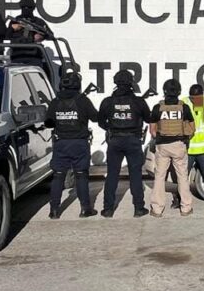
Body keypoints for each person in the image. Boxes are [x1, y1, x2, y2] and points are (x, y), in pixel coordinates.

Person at [44, 71, 99, 219]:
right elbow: (95, 117)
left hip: (61, 143)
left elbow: (48, 123)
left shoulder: (55, 101)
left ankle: (54, 210)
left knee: (58, 176)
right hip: (79, 143)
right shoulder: (83, 100)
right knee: (81, 176)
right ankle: (85, 209)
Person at [98, 69, 150, 218]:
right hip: (133, 140)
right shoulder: (138, 101)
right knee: (136, 175)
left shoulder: (108, 101)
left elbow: (100, 121)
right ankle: (139, 208)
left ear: (115, 82)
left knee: (112, 174)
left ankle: (108, 209)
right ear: (131, 83)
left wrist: (110, 128)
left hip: (114, 140)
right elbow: (148, 118)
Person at [148, 79, 195, 217]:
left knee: (159, 177)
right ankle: (186, 208)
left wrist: (161, 138)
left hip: (162, 146)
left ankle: (157, 209)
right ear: (179, 91)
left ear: (164, 91)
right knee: (182, 177)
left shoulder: (158, 107)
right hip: (179, 145)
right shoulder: (184, 107)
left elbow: (152, 130)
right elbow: (192, 128)